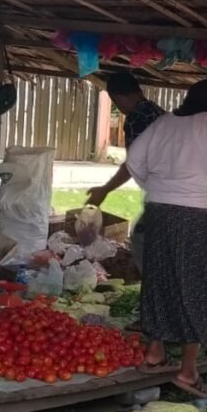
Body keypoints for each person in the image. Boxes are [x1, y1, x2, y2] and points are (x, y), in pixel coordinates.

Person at [126, 78, 207, 397]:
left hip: (157, 211)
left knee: (159, 280)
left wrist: (158, 188)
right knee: (197, 287)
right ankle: (187, 371)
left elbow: (133, 160)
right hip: (194, 216)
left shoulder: (165, 121)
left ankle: (154, 354)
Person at [86, 72, 164, 275]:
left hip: (163, 195)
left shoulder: (136, 118)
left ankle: (154, 293)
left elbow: (132, 165)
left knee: (141, 241)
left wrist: (105, 190)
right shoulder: (158, 112)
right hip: (182, 194)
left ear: (118, 98)